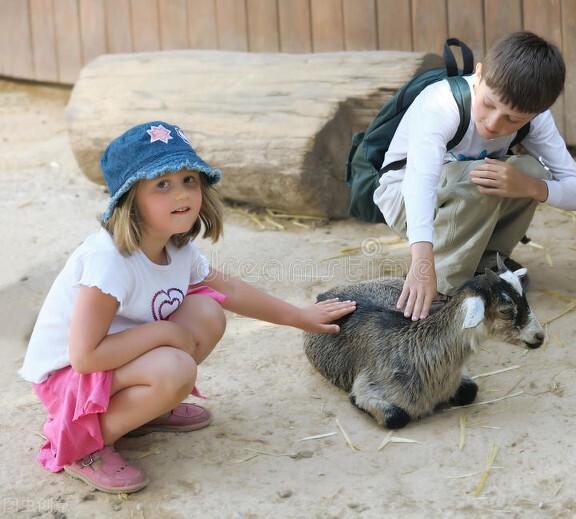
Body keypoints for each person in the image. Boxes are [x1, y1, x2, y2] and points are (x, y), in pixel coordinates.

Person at [19, 121, 356, 494]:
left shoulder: (176, 246)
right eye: (161, 184)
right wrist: (163, 332)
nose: (181, 194)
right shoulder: (108, 260)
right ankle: (81, 446)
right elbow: (84, 357)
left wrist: (300, 316)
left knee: (208, 312)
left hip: (117, 359)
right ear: (131, 197)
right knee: (175, 369)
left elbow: (228, 288)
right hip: (68, 379)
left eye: (189, 180)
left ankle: (141, 412)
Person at [372, 31, 576, 320]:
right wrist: (422, 261)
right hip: (405, 200)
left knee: (529, 172)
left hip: (461, 199)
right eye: (489, 104)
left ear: (538, 112)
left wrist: (530, 186)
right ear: (480, 73)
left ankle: (484, 265)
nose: (493, 123)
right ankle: (444, 288)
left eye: (512, 120)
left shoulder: (538, 119)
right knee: (482, 176)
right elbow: (419, 182)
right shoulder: (441, 104)